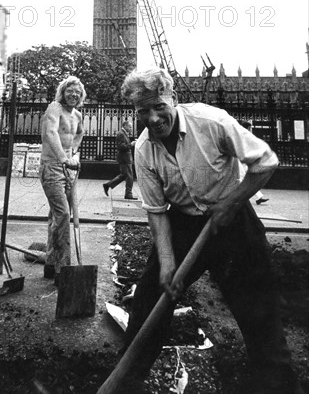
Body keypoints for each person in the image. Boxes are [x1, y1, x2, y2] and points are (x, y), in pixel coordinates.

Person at [118, 68, 302, 394]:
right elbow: (158, 213)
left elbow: (266, 161)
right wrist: (167, 262)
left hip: (234, 223)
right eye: (143, 111)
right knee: (151, 298)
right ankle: (127, 379)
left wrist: (231, 204)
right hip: (183, 224)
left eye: (159, 106)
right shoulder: (144, 150)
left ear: (172, 98)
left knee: (259, 313)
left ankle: (276, 383)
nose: (154, 117)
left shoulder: (211, 122)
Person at [39, 76, 86, 286]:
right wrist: (63, 158)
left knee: (55, 216)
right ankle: (63, 268)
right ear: (63, 92)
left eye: (77, 92)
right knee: (63, 214)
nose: (73, 95)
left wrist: (73, 153)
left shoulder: (77, 115)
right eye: (70, 91)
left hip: (68, 167)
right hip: (52, 166)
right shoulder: (54, 108)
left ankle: (50, 262)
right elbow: (50, 132)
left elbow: (79, 134)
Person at [103, 120, 138, 200]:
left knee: (124, 175)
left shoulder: (123, 133)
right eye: (130, 127)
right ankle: (128, 194)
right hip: (124, 158)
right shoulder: (121, 134)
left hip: (125, 158)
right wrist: (131, 144)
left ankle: (108, 185)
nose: (131, 128)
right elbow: (121, 147)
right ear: (125, 125)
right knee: (129, 176)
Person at [240, 120, 270, 205]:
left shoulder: (241, 134)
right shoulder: (245, 134)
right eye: (250, 127)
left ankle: (259, 197)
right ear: (248, 127)